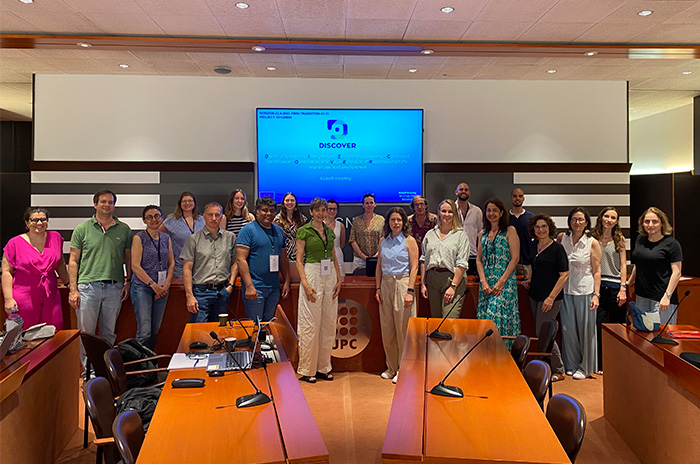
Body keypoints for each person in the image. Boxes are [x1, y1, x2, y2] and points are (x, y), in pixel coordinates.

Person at [69, 190, 132, 347]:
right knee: (86, 334)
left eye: (110, 202)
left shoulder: (124, 229)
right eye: (103, 201)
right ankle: (86, 365)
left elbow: (128, 258)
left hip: (115, 288)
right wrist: (73, 290)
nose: (107, 205)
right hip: (87, 288)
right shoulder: (82, 229)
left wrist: (128, 281)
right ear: (95, 204)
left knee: (109, 333)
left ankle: (105, 363)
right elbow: (73, 261)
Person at [295, 198, 342, 383]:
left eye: (324, 210)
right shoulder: (304, 231)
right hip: (312, 274)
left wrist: (339, 278)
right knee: (310, 323)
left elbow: (333, 256)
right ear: (311, 212)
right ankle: (308, 369)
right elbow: (299, 260)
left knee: (328, 323)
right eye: (318, 210)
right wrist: (305, 284)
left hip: (329, 274)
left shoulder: (329, 231)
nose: (321, 213)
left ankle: (324, 367)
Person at [2, 207, 69, 330]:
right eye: (34, 220)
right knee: (24, 331)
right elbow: (6, 272)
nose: (39, 223)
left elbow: (60, 263)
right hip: (24, 295)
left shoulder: (55, 237)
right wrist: (8, 299)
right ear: (27, 223)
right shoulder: (14, 243)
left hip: (50, 294)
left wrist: (68, 284)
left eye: (43, 219)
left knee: (54, 329)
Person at [375, 207, 419, 383]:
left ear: (404, 222)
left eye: (399, 220)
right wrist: (378, 288)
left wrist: (410, 290)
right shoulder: (383, 241)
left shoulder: (409, 241)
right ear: (388, 222)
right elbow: (379, 266)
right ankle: (391, 367)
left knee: (403, 329)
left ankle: (404, 368)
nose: (396, 223)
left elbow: (414, 267)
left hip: (403, 283)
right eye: (393, 220)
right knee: (388, 329)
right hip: (386, 284)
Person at [523, 214, 568, 382]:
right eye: (537, 227)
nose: (540, 230)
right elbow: (533, 266)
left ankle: (559, 369)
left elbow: (564, 275)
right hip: (534, 295)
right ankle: (543, 367)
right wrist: (529, 279)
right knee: (540, 333)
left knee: (544, 333)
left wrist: (550, 298)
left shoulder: (557, 249)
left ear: (550, 228)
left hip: (551, 299)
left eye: (544, 226)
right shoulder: (534, 246)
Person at [557, 207, 601, 380]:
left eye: (581, 219)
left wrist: (596, 294)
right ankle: (571, 364)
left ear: (586, 222)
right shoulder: (562, 238)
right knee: (568, 330)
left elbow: (597, 271)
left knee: (586, 331)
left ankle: (586, 367)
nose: (577, 222)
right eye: (574, 219)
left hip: (585, 291)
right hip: (565, 290)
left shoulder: (592, 242)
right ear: (569, 221)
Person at [181, 202, 237, 323]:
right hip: (201, 292)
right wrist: (189, 296)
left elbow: (235, 262)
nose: (214, 218)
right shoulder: (193, 239)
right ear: (204, 217)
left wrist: (231, 284)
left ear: (221, 217)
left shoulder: (230, 237)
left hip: (223, 291)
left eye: (217, 215)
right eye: (210, 215)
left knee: (220, 330)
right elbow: (187, 269)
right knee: (199, 331)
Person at [237, 197, 291, 322]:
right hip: (255, 287)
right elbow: (240, 260)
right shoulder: (247, 230)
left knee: (269, 324)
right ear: (257, 212)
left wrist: (286, 281)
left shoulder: (279, 231)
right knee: (256, 326)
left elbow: (283, 259)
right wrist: (249, 286)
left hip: (274, 287)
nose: (268, 213)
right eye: (264, 210)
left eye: (272, 211)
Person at [628, 206, 683, 326]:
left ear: (662, 223)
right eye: (647, 221)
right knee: (643, 333)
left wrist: (667, 296)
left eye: (655, 221)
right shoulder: (640, 240)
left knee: (662, 333)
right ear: (642, 223)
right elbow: (638, 264)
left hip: (661, 297)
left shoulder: (672, 244)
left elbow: (677, 272)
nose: (650, 225)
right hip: (642, 295)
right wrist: (629, 282)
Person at [476, 198, 520, 343]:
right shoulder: (483, 233)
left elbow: (515, 258)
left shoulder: (510, 231)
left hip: (505, 284)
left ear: (501, 213)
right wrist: (483, 281)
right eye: (488, 210)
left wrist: (501, 282)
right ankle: (486, 352)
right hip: (486, 284)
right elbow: (479, 260)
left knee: (495, 317)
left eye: (495, 210)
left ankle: (503, 351)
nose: (491, 213)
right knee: (485, 320)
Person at [130, 205, 175, 350]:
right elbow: (135, 266)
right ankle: (139, 363)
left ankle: (149, 360)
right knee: (145, 332)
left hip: (162, 288)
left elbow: (171, 263)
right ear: (144, 220)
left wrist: (166, 285)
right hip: (143, 288)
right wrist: (153, 285)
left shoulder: (166, 238)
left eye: (157, 216)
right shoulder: (139, 238)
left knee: (155, 330)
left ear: (162, 218)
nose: (154, 219)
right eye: (149, 217)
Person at [590, 207, 627, 373]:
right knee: (598, 327)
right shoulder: (592, 238)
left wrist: (623, 288)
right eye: (607, 216)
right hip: (597, 289)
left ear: (616, 221)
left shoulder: (619, 239)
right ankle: (601, 363)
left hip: (615, 289)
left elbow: (623, 265)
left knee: (617, 328)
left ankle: (617, 363)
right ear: (601, 217)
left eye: (613, 217)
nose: (609, 220)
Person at [420, 199, 470, 319]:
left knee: (449, 321)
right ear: (438, 212)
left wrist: (453, 286)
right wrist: (422, 284)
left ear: (455, 214)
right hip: (433, 280)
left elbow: (462, 263)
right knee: (436, 320)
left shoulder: (461, 235)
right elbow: (424, 260)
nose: (446, 214)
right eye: (444, 211)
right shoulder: (430, 234)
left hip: (452, 279)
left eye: (450, 212)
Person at [160, 191, 205, 280]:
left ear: (194, 203)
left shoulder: (202, 220)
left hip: (200, 266)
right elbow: (158, 235)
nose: (187, 203)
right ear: (180, 204)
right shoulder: (171, 220)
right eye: (184, 201)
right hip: (179, 267)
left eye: (190, 201)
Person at [349, 193, 385, 275]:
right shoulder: (357, 221)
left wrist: (377, 254)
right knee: (359, 281)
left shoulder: (381, 220)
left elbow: (384, 239)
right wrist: (362, 256)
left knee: (377, 280)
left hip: (377, 258)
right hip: (359, 260)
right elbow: (352, 239)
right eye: (367, 203)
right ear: (363, 205)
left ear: (375, 204)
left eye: (371, 203)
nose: (369, 205)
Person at [455, 182, 483, 275]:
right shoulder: (450, 210)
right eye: (461, 189)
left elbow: (480, 233)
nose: (464, 191)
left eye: (466, 190)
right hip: (455, 255)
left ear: (469, 192)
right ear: (456, 192)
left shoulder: (477, 211)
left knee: (471, 282)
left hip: (472, 255)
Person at [273, 192, 307, 265]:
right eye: (287, 200)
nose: (289, 203)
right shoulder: (277, 220)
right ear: (283, 203)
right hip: (284, 254)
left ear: (295, 202)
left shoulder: (302, 219)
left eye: (292, 200)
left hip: (299, 255)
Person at [509, 188, 536, 276]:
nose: (517, 198)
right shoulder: (505, 218)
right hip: (508, 263)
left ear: (523, 199)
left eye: (520, 196)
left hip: (527, 263)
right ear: (511, 198)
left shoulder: (531, 217)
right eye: (515, 196)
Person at [407, 195, 437, 259]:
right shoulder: (408, 221)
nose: (419, 207)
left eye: (422, 204)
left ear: (425, 206)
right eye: (416, 205)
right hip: (412, 254)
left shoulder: (434, 219)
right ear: (413, 207)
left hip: (431, 255)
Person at [325, 199, 346, 276]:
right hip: (324, 255)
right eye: (330, 209)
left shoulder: (340, 225)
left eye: (334, 209)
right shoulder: (320, 225)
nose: (332, 211)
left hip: (338, 256)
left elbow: (342, 243)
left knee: (339, 277)